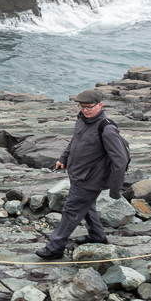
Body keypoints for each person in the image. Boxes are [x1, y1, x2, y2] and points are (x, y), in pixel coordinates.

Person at [37, 89, 128, 259]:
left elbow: (120, 160)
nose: (85, 110)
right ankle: (97, 235)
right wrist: (64, 157)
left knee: (71, 211)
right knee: (87, 206)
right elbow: (75, 141)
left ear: (100, 105)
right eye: (82, 107)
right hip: (78, 173)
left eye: (89, 107)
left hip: (90, 179)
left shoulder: (107, 128)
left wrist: (115, 190)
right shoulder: (82, 120)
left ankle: (54, 248)